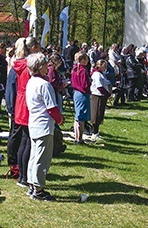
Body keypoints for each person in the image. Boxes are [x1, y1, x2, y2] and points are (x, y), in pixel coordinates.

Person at [25, 52, 64, 201]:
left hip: (34, 122)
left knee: (34, 156)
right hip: (43, 124)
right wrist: (60, 119)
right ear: (40, 67)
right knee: (42, 158)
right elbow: (51, 108)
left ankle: (31, 185)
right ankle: (39, 189)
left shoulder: (31, 82)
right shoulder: (44, 85)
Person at [12, 36, 40, 187]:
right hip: (28, 103)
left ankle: (22, 176)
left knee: (24, 140)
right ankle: (24, 176)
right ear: (33, 48)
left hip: (21, 102)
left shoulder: (20, 64)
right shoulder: (30, 65)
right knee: (28, 141)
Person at [71, 52, 91, 144]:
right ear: (82, 60)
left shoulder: (74, 69)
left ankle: (76, 137)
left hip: (76, 93)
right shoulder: (83, 70)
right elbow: (85, 84)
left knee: (77, 116)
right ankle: (79, 138)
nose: (88, 61)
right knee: (81, 117)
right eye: (86, 59)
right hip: (82, 93)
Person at [90, 60, 111, 140]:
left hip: (102, 95)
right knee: (96, 114)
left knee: (100, 115)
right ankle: (94, 132)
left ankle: (96, 132)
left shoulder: (101, 74)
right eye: (104, 66)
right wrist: (107, 94)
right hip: (97, 95)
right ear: (100, 65)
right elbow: (99, 87)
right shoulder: (97, 74)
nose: (105, 68)